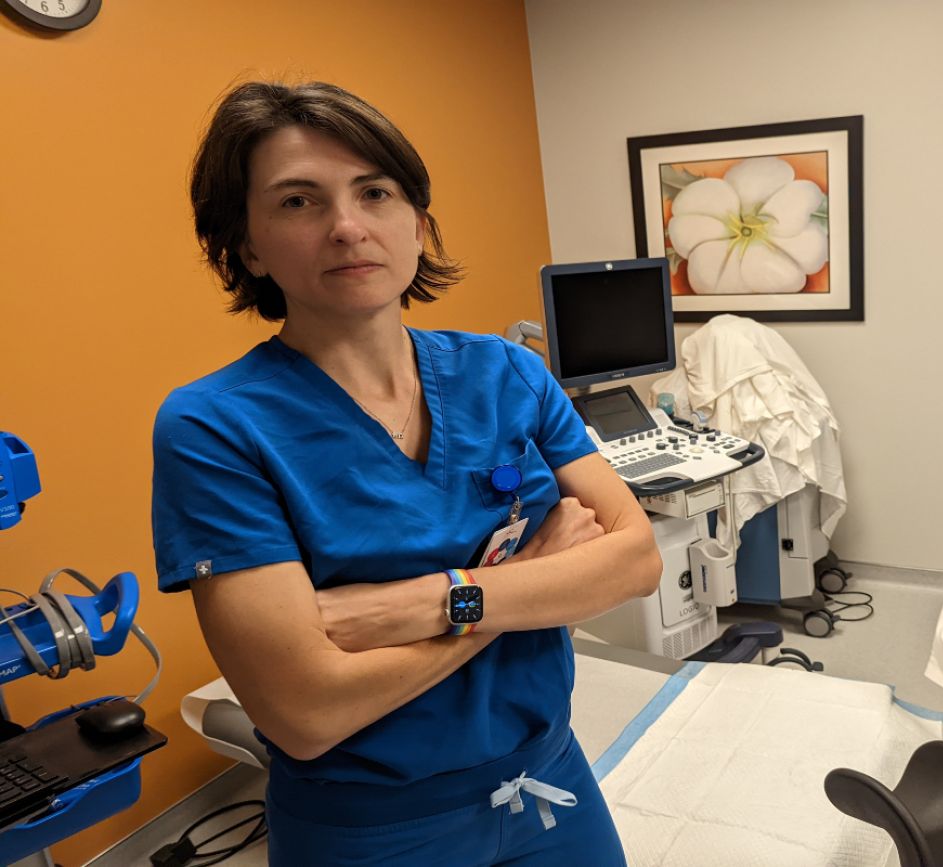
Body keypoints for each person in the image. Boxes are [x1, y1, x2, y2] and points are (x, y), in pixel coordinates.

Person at [151, 80, 661, 866]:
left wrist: (419, 602)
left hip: (550, 777)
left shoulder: (507, 372)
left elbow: (635, 559)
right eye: (298, 201)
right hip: (371, 827)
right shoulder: (214, 427)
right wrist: (527, 582)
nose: (347, 227)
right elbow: (306, 711)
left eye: (374, 192)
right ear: (247, 245)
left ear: (417, 225)